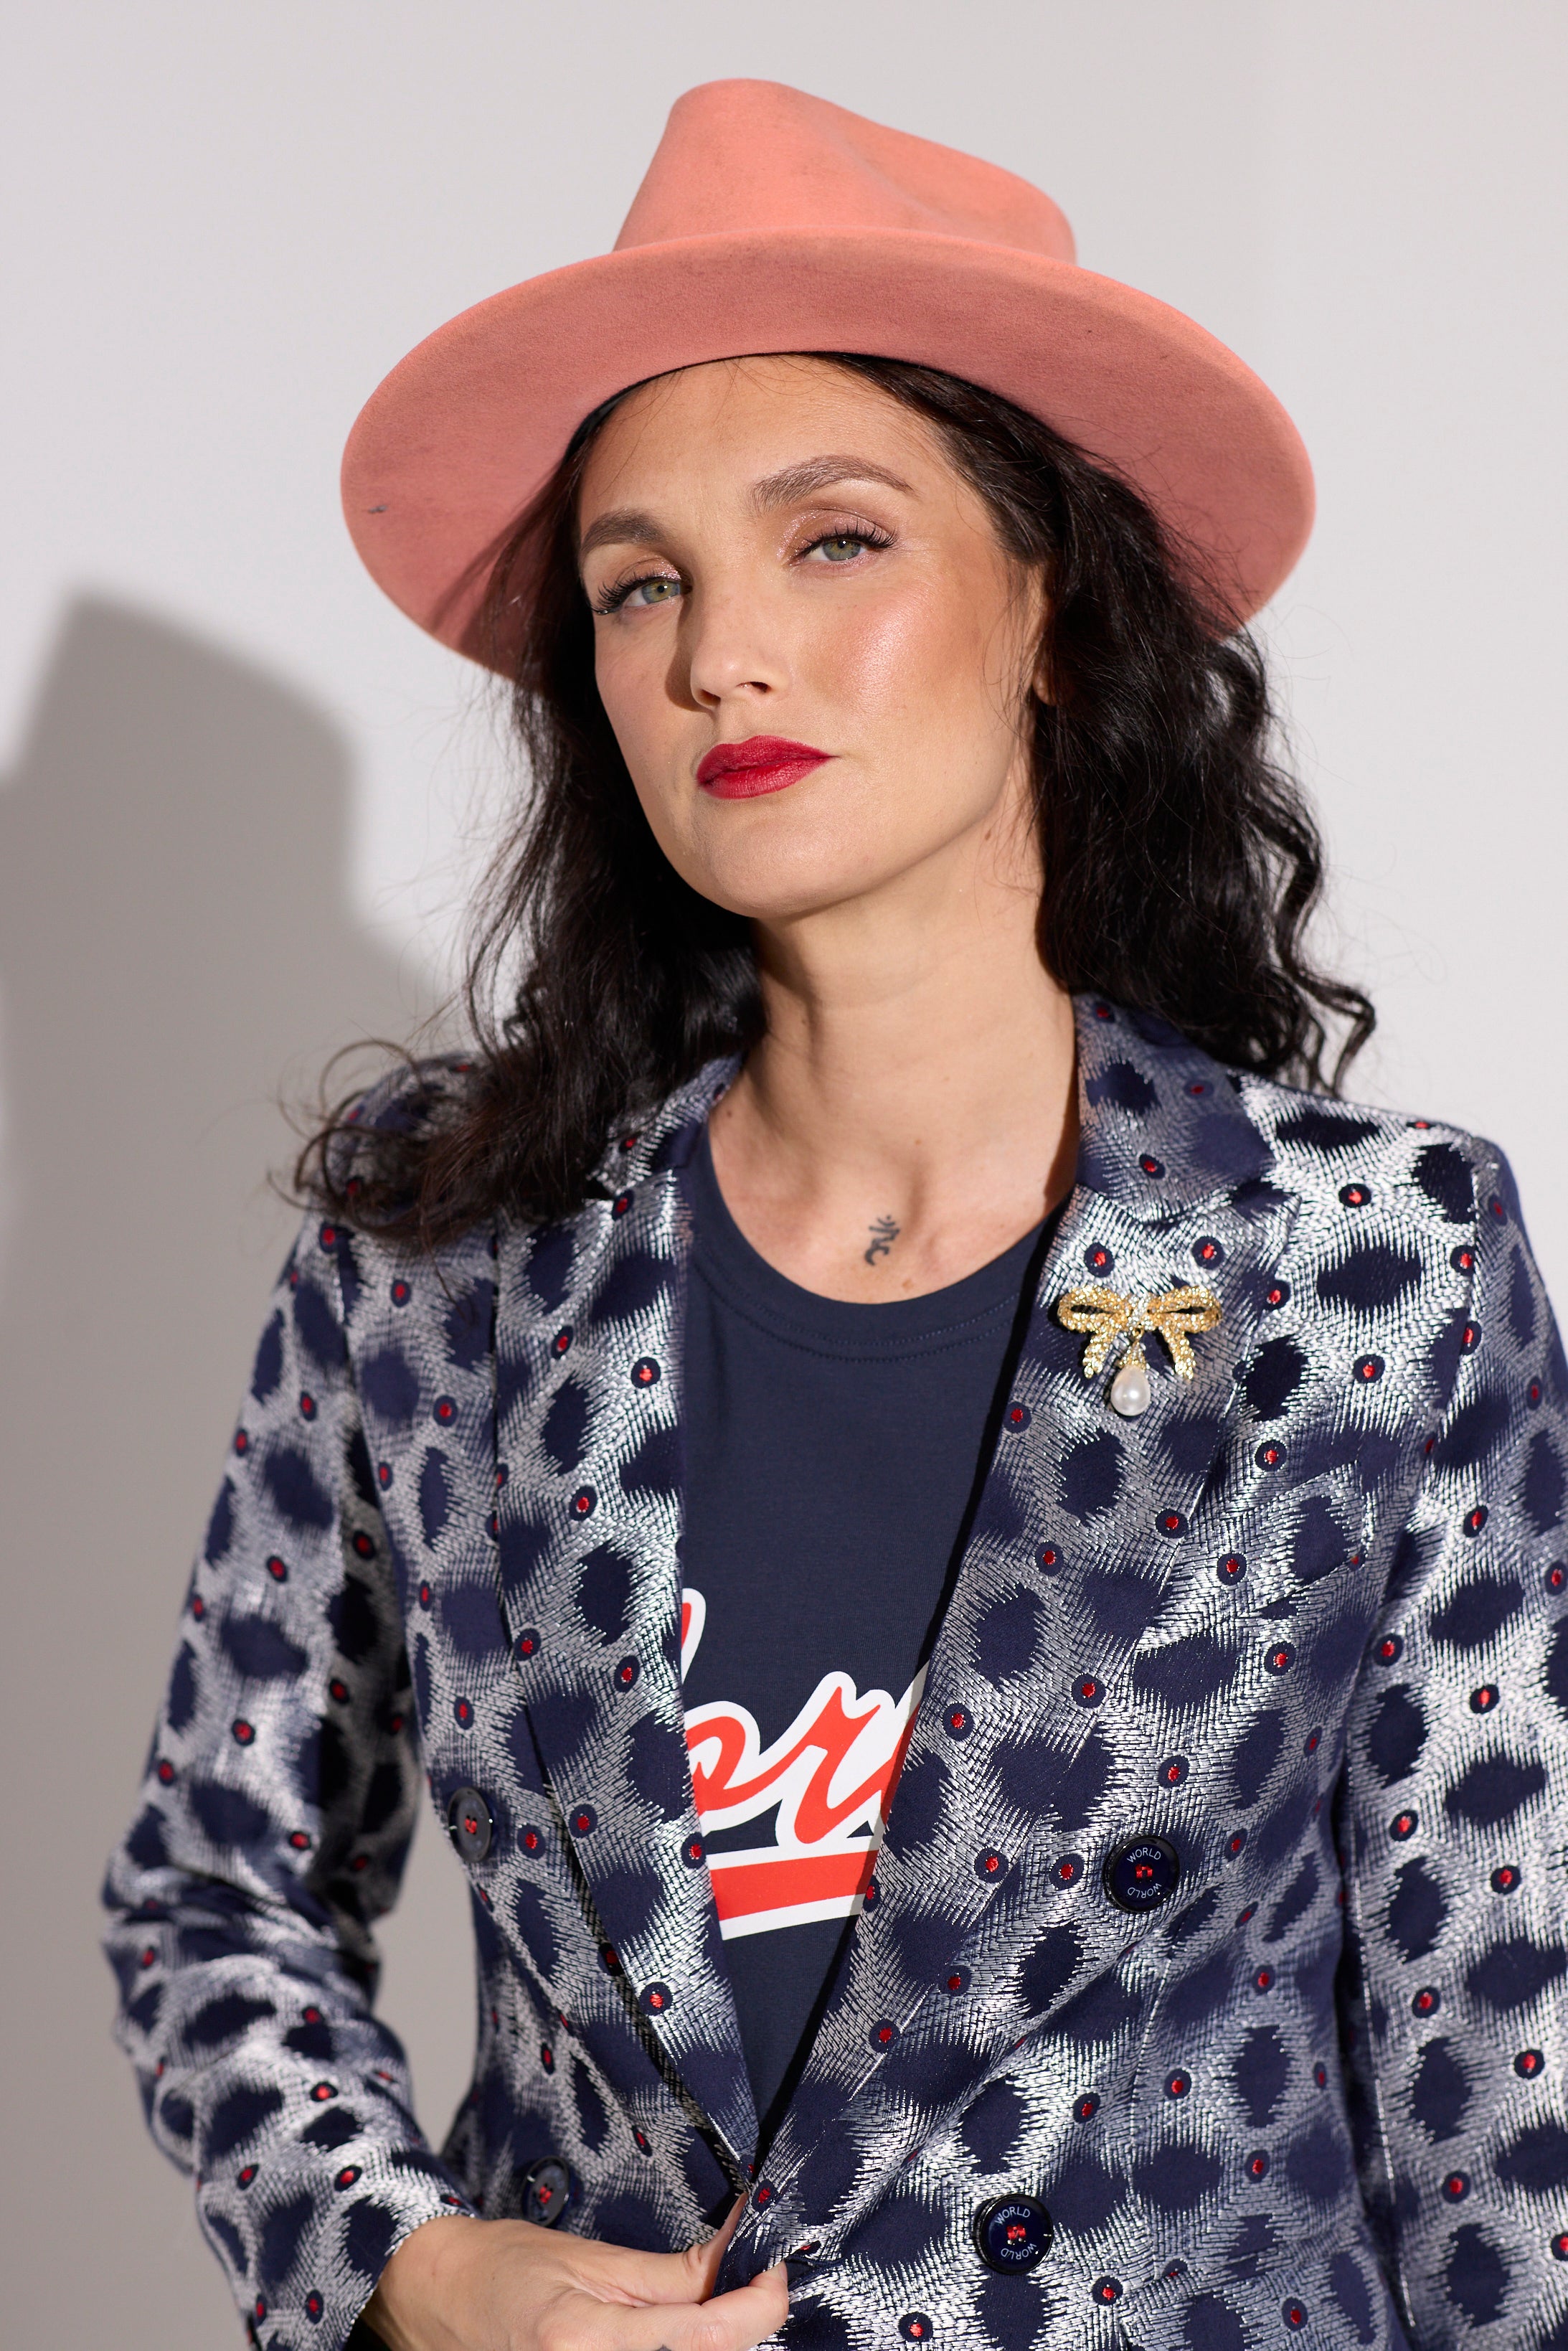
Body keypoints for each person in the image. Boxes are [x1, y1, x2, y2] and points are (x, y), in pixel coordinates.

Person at [104, 79, 1568, 2351]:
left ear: (1052, 607)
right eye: (640, 585)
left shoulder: (1370, 1270)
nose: (719, 655)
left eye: (834, 542)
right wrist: (414, 2265)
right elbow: (217, 1890)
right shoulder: (437, 1259)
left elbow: (1507, 2077)